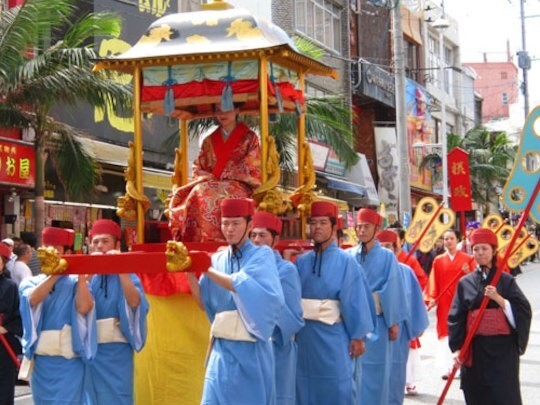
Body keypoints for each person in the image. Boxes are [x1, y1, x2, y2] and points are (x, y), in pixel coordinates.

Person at [187, 198, 284, 404]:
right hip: (221, 350)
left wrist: (205, 268)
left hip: (250, 351)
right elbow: (204, 303)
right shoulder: (216, 260)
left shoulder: (262, 255)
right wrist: (188, 271)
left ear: (249, 225)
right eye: (225, 223)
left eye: (236, 223)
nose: (229, 229)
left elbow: (239, 284)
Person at [296, 202, 375, 405]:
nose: (318, 227)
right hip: (305, 337)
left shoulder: (346, 262)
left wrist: (358, 336)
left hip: (333, 337)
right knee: (303, 387)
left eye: (323, 222)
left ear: (333, 227)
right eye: (313, 223)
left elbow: (354, 299)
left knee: (338, 388)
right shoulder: (301, 261)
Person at [448, 228, 532, 405]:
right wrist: (458, 348)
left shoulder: (506, 280)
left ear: (494, 251)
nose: (480, 253)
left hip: (503, 349)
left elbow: (523, 310)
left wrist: (499, 299)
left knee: (504, 395)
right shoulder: (466, 283)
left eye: (485, 248)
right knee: (477, 394)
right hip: (476, 347)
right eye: (476, 249)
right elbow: (456, 317)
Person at [19, 227, 95, 404]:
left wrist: (81, 277)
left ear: (67, 253)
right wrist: (54, 274)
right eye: (46, 248)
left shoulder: (76, 282)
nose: (50, 253)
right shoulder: (29, 282)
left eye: (56, 249)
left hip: (70, 364)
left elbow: (85, 307)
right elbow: (33, 299)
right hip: (42, 363)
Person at [168, 104, 261, 242]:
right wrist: (206, 176)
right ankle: (200, 239)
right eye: (218, 110)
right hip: (211, 182)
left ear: (236, 110)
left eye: (226, 109)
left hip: (238, 183)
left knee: (223, 195)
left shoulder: (249, 137)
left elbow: (252, 162)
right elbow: (199, 165)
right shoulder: (209, 140)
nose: (222, 114)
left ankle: (233, 239)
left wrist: (230, 173)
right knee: (199, 192)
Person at [347, 208, 408, 405]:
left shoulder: (387, 257)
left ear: (376, 228)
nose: (362, 230)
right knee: (352, 374)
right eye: (359, 226)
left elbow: (392, 289)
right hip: (352, 323)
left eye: (366, 226)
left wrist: (393, 322)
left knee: (377, 373)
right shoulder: (348, 255)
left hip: (377, 322)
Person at [85, 219, 149, 405]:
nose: (100, 247)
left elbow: (135, 302)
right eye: (96, 242)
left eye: (105, 241)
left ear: (117, 245)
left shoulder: (129, 273)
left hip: (117, 350)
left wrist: (121, 268)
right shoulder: (87, 275)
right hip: (91, 348)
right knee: (91, 397)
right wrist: (88, 271)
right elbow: (77, 304)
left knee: (119, 396)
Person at [250, 211, 304, 404]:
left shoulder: (286, 270)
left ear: (275, 239)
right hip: (247, 347)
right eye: (253, 235)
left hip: (276, 346)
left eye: (263, 235)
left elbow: (295, 317)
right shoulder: (243, 267)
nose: (256, 240)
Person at [376, 230, 429, 402]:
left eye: (387, 247)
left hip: (397, 334)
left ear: (396, 249)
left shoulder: (406, 271)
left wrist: (416, 325)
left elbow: (413, 299)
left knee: (395, 376)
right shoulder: (365, 270)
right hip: (373, 331)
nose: (384, 251)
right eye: (380, 247)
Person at [427, 229, 476, 379]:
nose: (448, 241)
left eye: (451, 238)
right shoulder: (438, 260)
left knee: (461, 330)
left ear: (458, 239)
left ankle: (461, 366)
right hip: (444, 301)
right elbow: (433, 281)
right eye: (445, 238)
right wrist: (432, 297)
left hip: (462, 301)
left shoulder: (468, 259)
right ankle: (446, 366)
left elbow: (475, 279)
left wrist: (469, 272)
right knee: (444, 333)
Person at [0, 243, 22, 405]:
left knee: (4, 389)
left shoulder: (11, 286)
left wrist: (6, 328)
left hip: (3, 344)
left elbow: (20, 315)